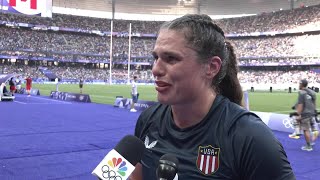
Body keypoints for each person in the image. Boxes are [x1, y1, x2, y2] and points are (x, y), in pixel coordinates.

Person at [130, 14, 295, 179]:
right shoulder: (148, 120)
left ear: (211, 67)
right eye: (156, 58)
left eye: (171, 58)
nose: (155, 69)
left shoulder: (251, 138)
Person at [289, 79, 318, 151]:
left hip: (305, 113)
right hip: (311, 112)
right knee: (312, 127)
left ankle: (308, 146)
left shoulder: (301, 93)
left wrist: (298, 114)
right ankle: (312, 140)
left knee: (305, 130)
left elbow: (300, 105)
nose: (298, 85)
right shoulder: (312, 92)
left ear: (301, 84)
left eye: (299, 84)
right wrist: (314, 111)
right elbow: (314, 103)